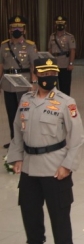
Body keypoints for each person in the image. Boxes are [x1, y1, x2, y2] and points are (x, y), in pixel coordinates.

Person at [7, 58, 84, 244]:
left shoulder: (65, 102)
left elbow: (77, 138)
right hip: (30, 166)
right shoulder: (25, 100)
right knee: (29, 211)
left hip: (54, 165)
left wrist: (67, 166)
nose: (49, 76)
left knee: (59, 213)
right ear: (35, 74)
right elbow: (17, 132)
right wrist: (16, 158)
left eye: (52, 72)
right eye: (44, 72)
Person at [2, 16, 38, 148]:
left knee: (23, 113)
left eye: (19, 27)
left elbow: (34, 66)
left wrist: (33, 83)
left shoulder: (30, 46)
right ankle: (14, 140)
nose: (16, 30)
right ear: (9, 29)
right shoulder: (3, 46)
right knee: (11, 113)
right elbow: (1, 65)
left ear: (24, 30)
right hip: (7, 83)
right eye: (13, 27)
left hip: (23, 84)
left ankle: (25, 140)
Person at [48, 15, 76, 95]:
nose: (59, 26)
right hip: (54, 65)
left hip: (65, 64)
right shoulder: (52, 36)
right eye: (58, 24)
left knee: (65, 85)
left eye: (61, 24)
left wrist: (71, 63)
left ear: (65, 25)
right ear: (55, 25)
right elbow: (49, 50)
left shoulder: (69, 37)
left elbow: (72, 50)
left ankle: (66, 101)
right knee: (53, 85)